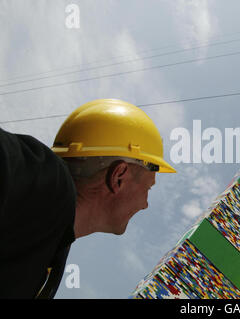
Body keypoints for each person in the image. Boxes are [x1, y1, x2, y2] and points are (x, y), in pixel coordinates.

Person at [0, 99, 176, 298]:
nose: (145, 204)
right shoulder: (41, 179)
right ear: (119, 176)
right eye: (148, 188)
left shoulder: (52, 252)